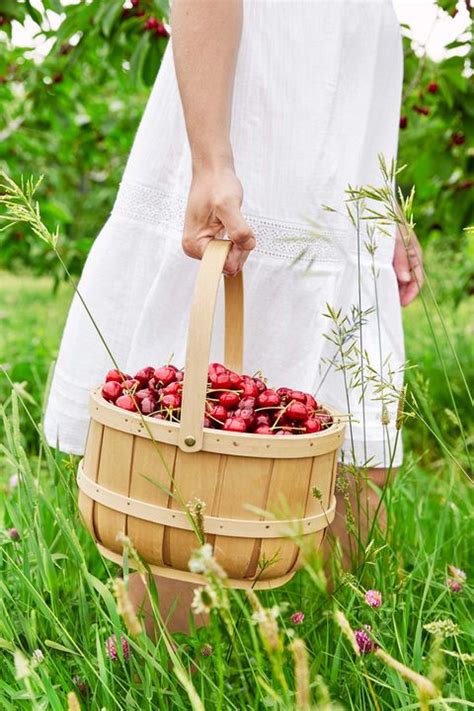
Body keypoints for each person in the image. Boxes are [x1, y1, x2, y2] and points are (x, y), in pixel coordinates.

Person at [44, 0, 424, 636]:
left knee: (357, 451)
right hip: (269, 94)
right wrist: (213, 162)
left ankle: (340, 660)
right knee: (198, 435)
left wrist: (385, 206)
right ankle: (157, 679)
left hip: (342, 111)